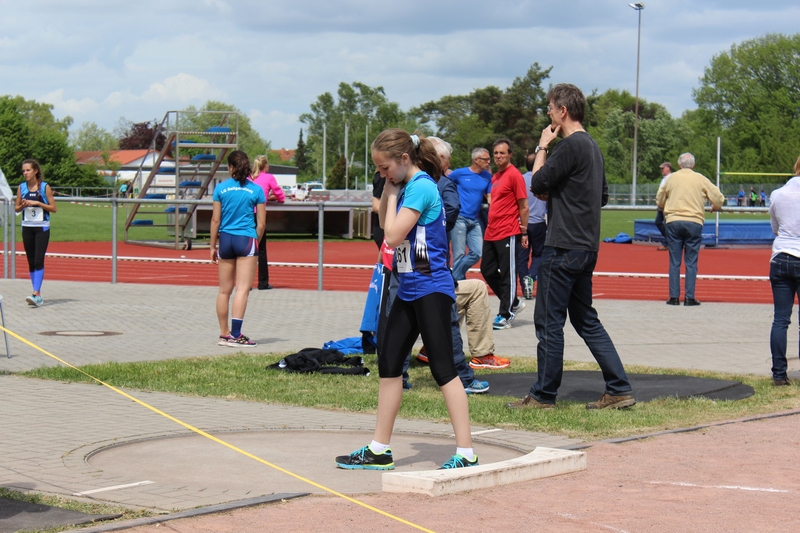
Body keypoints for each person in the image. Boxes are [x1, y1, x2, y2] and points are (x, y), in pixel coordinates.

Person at [336, 129, 477, 471]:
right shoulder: (403, 186)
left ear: (404, 159)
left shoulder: (422, 187)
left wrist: (392, 192)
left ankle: (466, 452)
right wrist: (388, 188)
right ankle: (379, 449)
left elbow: (392, 235)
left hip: (431, 288)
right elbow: (385, 221)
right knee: (389, 365)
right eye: (378, 170)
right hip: (409, 288)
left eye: (385, 168)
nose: (382, 174)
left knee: (444, 369)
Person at [506, 83, 634, 410]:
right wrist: (561, 192)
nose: (548, 115)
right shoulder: (593, 147)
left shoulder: (567, 146)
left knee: (549, 322)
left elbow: (536, 182)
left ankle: (543, 395)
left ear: (562, 111)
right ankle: (619, 388)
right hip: (586, 247)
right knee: (585, 319)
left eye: (550, 109)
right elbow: (600, 196)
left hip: (562, 246)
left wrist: (542, 146)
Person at [210, 151, 266, 347]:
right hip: (246, 239)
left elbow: (215, 220)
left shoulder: (220, 188)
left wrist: (212, 246)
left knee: (224, 291)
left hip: (225, 239)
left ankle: (224, 333)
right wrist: (255, 241)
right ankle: (236, 335)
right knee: (242, 289)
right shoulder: (256, 190)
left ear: (230, 167)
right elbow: (261, 223)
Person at [656, 152, 725, 306]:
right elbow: (718, 197)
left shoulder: (671, 178)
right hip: (694, 221)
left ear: (678, 165)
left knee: (674, 261)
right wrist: (716, 206)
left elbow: (659, 199)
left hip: (674, 221)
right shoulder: (700, 179)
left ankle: (674, 297)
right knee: (691, 261)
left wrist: (665, 205)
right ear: (693, 165)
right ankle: (689, 297)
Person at [481, 139, 528, 330]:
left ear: (510, 154)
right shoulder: (496, 177)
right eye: (496, 153)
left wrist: (524, 231)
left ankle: (506, 314)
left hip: (508, 231)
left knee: (508, 273)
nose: (498, 156)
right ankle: (513, 302)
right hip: (491, 231)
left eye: (502, 153)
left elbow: (524, 206)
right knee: (487, 270)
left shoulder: (515, 175)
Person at [767, 156, 800, 387]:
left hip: (781, 256)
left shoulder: (778, 194)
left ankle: (779, 374)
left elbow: (775, 227)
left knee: (780, 319)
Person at [15, 159, 56, 307]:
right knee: (31, 261)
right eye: (24, 171)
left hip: (42, 228)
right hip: (27, 227)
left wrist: (37, 203)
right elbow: (16, 208)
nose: (25, 173)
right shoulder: (21, 188)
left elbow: (53, 208)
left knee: (39, 260)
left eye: (28, 170)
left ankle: (36, 293)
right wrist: (23, 205)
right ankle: (36, 293)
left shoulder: (44, 187)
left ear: (35, 171)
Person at [449, 148, 493, 280]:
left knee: (477, 253)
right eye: (486, 159)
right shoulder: (459, 173)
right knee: (459, 254)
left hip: (474, 219)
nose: (489, 162)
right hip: (459, 218)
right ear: (476, 160)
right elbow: (445, 185)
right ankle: (458, 282)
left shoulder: (487, 176)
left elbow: (490, 196)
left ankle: (453, 278)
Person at [250, 155, 285, 290]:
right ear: (265, 166)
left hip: (247, 214)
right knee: (261, 249)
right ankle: (262, 282)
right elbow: (280, 195)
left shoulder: (249, 178)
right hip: (259, 215)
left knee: (246, 248)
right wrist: (272, 198)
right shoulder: (269, 177)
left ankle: (245, 283)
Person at [517, 152, 547, 299]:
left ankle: (525, 285)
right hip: (538, 223)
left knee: (521, 258)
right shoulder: (544, 180)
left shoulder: (520, 179)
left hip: (522, 223)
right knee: (539, 254)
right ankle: (531, 276)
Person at [654, 162, 673, 250]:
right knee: (658, 222)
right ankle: (669, 240)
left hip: (667, 205)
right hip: (662, 205)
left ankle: (666, 243)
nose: (661, 170)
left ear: (668, 168)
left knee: (666, 224)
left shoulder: (671, 178)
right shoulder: (664, 179)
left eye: (663, 168)